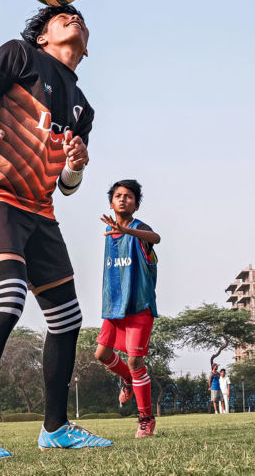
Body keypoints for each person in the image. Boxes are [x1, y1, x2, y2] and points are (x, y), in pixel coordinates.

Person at [0, 4, 112, 462]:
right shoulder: (18, 55)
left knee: (68, 319)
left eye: (79, 17)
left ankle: (55, 428)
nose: (73, 19)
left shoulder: (83, 107)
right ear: (42, 38)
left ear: (87, 48)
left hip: (41, 209)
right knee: (8, 298)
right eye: (62, 17)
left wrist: (76, 164)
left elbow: (68, 187)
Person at [93, 179, 161, 439]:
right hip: (114, 306)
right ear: (111, 203)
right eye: (118, 196)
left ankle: (146, 419)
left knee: (135, 360)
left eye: (129, 196)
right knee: (101, 354)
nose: (123, 199)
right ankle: (128, 380)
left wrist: (129, 232)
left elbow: (156, 238)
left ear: (136, 204)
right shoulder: (110, 233)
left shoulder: (139, 230)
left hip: (138, 305)